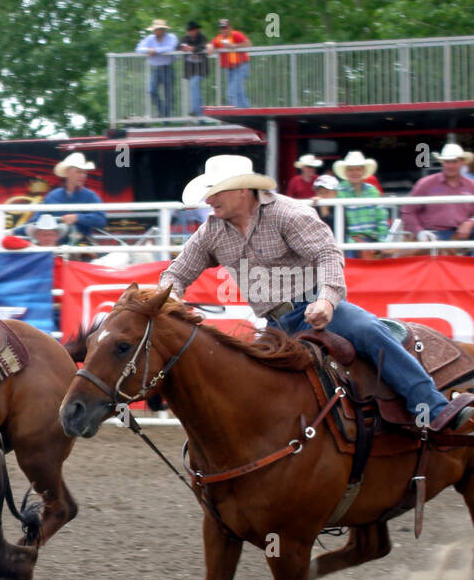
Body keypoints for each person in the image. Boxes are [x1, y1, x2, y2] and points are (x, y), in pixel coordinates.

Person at [159, 154, 473, 432]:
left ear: (242, 189)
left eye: (215, 192)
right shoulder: (212, 230)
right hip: (276, 325)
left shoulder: (287, 213)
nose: (209, 200)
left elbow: (328, 255)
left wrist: (326, 300)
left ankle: (433, 406)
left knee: (369, 332)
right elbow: (177, 271)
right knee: (248, 376)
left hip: (315, 308)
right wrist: (170, 299)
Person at [13, 152, 107, 245]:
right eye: (79, 172)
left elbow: (101, 220)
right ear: (67, 173)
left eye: (84, 172)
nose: (83, 176)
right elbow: (36, 220)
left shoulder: (90, 196)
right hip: (56, 244)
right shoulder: (53, 196)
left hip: (82, 242)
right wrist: (14, 232)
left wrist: (77, 218)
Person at [401, 142, 474, 246]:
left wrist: (470, 222)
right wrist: (419, 232)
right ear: (442, 162)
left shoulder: (471, 185)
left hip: (462, 235)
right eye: (447, 162)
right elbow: (408, 212)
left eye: (454, 161)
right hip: (433, 234)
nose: (450, 165)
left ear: (462, 163)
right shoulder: (425, 184)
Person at [332, 151, 388, 255]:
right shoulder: (338, 191)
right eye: (351, 169)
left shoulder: (372, 191)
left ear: (363, 171)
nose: (355, 173)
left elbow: (381, 218)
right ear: (346, 172)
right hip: (347, 242)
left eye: (358, 169)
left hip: (372, 240)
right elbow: (333, 221)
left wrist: (381, 243)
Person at [136, 19, 179, 118]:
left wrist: (155, 50)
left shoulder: (171, 37)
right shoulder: (150, 38)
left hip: (167, 67)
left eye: (158, 29)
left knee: (168, 93)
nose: (156, 31)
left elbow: (171, 48)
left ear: (163, 30)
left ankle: (166, 119)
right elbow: (138, 48)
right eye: (155, 29)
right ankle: (162, 111)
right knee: (151, 91)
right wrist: (148, 50)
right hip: (156, 68)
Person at [211, 19, 252, 108]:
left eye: (225, 28)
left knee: (231, 92)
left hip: (241, 66)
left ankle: (236, 114)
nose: (224, 30)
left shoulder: (236, 34)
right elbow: (211, 44)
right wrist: (209, 48)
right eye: (222, 28)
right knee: (239, 92)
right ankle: (246, 113)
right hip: (230, 69)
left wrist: (235, 46)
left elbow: (248, 44)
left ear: (230, 28)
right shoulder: (219, 38)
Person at [179, 21, 211, 118]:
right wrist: (184, 48)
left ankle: (195, 110)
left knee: (194, 84)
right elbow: (179, 45)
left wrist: (193, 49)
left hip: (201, 68)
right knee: (195, 89)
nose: (191, 32)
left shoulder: (202, 37)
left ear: (197, 30)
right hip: (190, 69)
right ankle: (201, 116)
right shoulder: (185, 38)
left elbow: (204, 46)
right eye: (189, 30)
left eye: (192, 30)